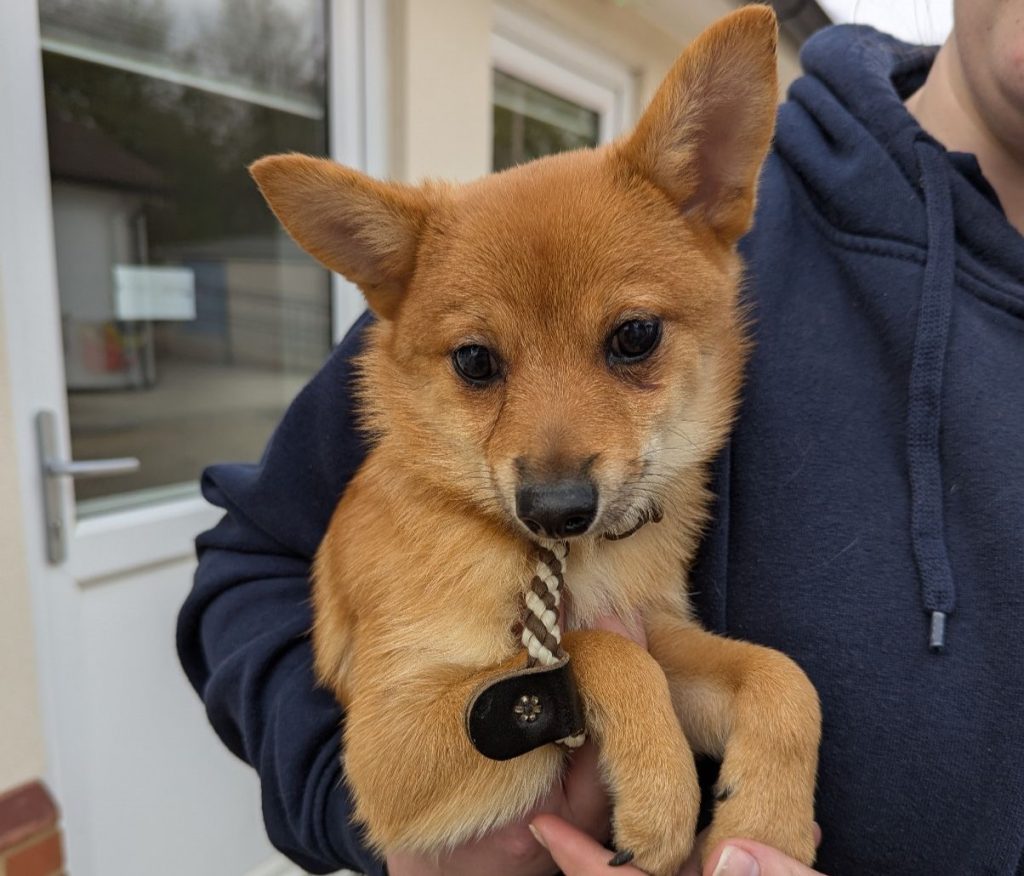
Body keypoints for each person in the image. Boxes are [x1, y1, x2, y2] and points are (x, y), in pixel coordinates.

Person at [176, 2, 1024, 873]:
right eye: (479, 364)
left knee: (776, 692)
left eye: (631, 341)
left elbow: (657, 651)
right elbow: (264, 572)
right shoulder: (490, 253)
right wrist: (601, 683)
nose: (556, 476)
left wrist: (764, 714)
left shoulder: (655, 492)